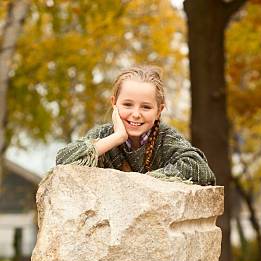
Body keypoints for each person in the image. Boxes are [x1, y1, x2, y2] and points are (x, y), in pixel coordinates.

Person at [56, 66, 216, 186]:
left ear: (159, 110)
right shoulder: (105, 135)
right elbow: (64, 159)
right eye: (127, 104)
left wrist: (140, 181)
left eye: (146, 107)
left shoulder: (165, 138)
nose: (136, 114)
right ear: (114, 103)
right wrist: (117, 137)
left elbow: (198, 167)